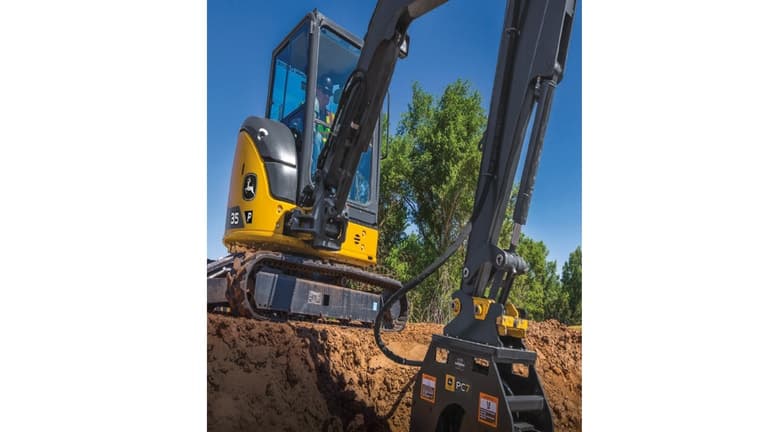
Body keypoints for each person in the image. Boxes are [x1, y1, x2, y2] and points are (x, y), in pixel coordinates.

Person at [311, 74, 336, 175]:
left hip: (325, 160)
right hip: (309, 161)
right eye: (324, 92)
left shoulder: (331, 117)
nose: (327, 96)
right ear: (316, 90)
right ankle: (312, 177)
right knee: (317, 137)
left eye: (329, 94)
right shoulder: (306, 109)